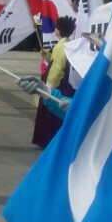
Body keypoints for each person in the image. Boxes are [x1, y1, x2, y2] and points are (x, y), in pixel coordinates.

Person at [32, 16, 77, 149]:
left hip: (57, 86)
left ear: (58, 30)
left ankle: (46, 141)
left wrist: (49, 87)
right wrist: (46, 55)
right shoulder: (68, 44)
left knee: (49, 115)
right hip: (66, 86)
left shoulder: (60, 47)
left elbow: (57, 69)